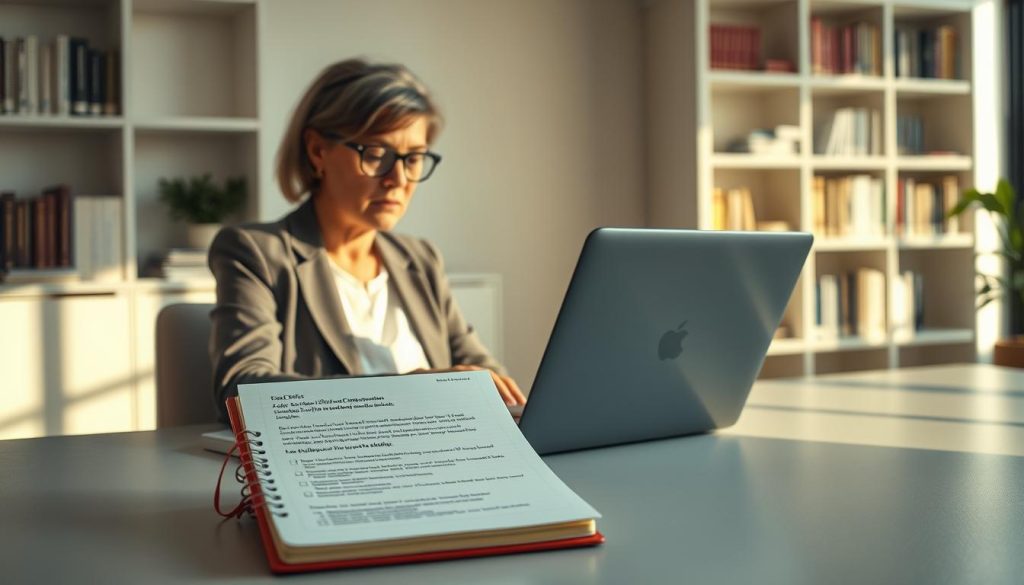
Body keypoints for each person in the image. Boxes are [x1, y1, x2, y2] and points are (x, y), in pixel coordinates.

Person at [208, 58, 525, 421]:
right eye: (377, 154)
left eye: (414, 158)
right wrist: (408, 390)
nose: (398, 178)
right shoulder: (256, 253)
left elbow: (482, 369)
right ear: (317, 151)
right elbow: (242, 390)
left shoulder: (419, 258)